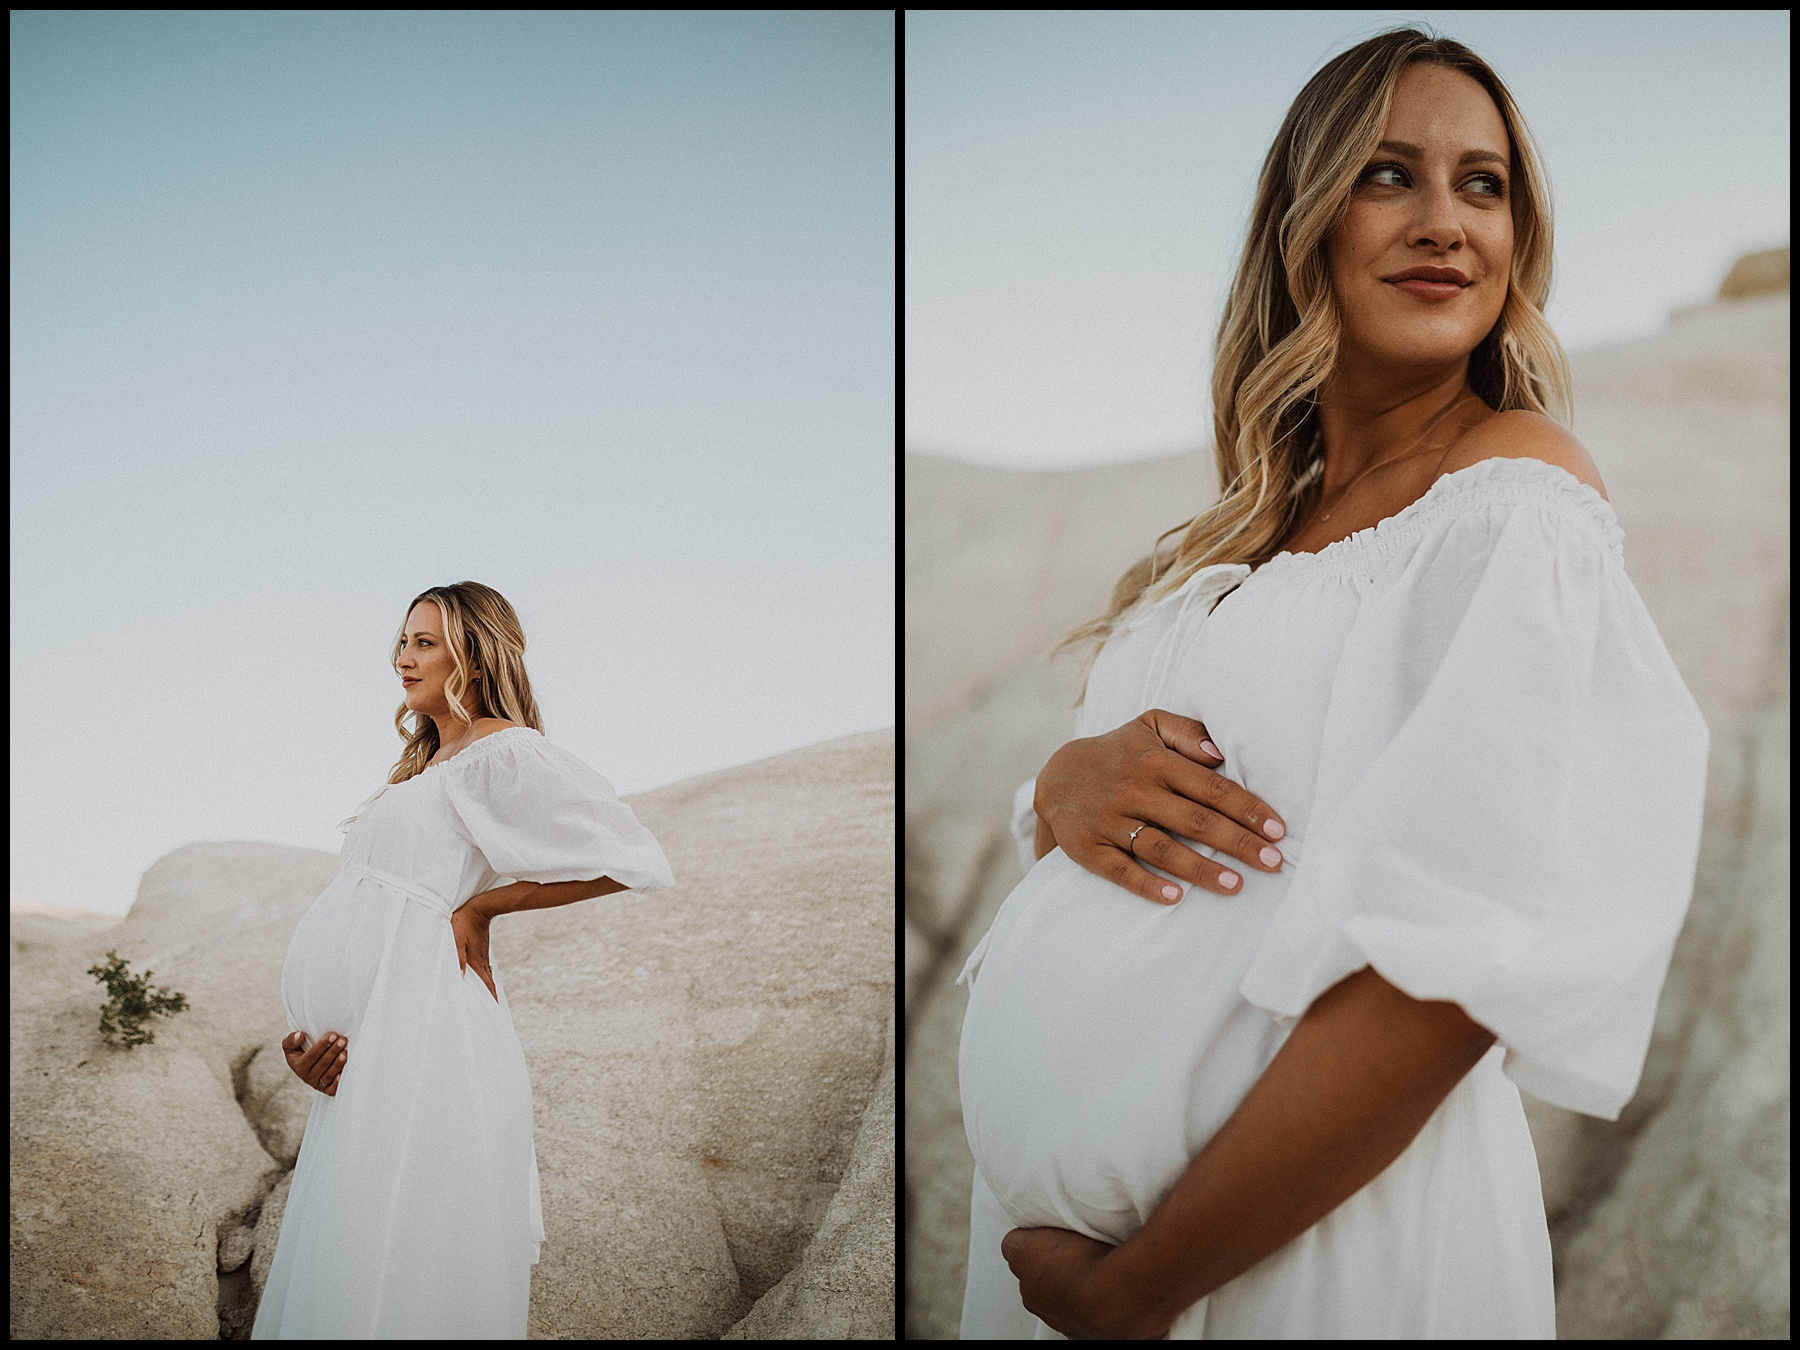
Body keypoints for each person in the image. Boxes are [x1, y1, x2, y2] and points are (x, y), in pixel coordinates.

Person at [955, 27, 1708, 1340]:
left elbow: (1458, 951)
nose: (1443, 223)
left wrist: (1141, 1286)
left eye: (1483, 184)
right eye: (1385, 174)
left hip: (1299, 1259)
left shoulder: (1514, 496)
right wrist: (1058, 785)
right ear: (1304, 217)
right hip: (1078, 1279)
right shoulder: (1239, 532)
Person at [252, 581, 675, 1339]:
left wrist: (482, 907)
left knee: (406, 1243)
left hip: (428, 1029)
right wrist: (312, 1045)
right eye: (403, 641)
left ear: (472, 657)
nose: (402, 658)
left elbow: (630, 857)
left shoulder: (500, 748)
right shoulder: (420, 769)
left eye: (425, 642)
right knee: (353, 1242)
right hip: (363, 1055)